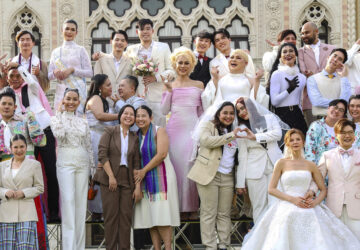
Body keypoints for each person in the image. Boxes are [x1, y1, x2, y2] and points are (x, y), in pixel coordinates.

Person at [241, 129, 360, 250]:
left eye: (298, 139)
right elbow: (271, 189)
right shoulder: (281, 163)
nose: (295, 142)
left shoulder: (310, 165)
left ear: (303, 142)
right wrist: (292, 200)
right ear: (287, 143)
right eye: (291, 140)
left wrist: (315, 202)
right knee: (286, 221)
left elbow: (323, 189)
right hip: (287, 204)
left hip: (307, 205)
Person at [6, 64, 59, 222]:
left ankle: (53, 212)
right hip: (25, 137)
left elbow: (34, 82)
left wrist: (19, 68)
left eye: (18, 76)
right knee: (28, 173)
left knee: (50, 171)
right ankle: (34, 212)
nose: (16, 79)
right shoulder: (9, 95)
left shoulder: (31, 88)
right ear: (8, 79)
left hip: (43, 129)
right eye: (12, 77)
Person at [188, 101, 243, 250]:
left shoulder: (237, 130)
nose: (228, 116)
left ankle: (224, 244)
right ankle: (210, 246)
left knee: (224, 213)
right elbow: (206, 141)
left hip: (228, 177)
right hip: (209, 174)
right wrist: (231, 136)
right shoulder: (208, 125)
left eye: (232, 113)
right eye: (225, 112)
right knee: (208, 212)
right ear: (218, 113)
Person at [0, 87, 48, 249]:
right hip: (4, 178)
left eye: (10, 104)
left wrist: (32, 120)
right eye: (3, 103)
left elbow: (41, 141)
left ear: (15, 106)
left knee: (28, 227)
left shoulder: (24, 120)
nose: (6, 106)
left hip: (26, 177)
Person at [161, 47, 203, 217]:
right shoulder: (169, 85)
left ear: (192, 65)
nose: (183, 66)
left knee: (189, 167)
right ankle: (174, 208)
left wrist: (200, 133)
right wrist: (168, 91)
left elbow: (202, 112)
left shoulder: (199, 85)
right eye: (180, 63)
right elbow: (164, 111)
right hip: (174, 131)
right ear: (174, 64)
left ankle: (190, 208)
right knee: (175, 169)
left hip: (192, 130)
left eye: (187, 63)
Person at [50, 88, 94, 250]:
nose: (71, 102)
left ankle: (80, 247)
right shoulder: (55, 118)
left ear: (79, 102)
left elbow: (88, 146)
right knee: (68, 202)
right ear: (63, 100)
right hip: (65, 163)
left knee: (81, 206)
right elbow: (59, 135)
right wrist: (60, 114)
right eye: (68, 98)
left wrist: (92, 170)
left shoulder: (83, 121)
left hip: (83, 163)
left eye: (74, 99)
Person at [93, 104, 142, 250]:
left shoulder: (134, 137)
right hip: (109, 178)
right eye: (125, 113)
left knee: (126, 219)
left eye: (131, 114)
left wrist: (137, 186)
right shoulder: (110, 131)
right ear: (120, 116)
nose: (128, 116)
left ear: (134, 119)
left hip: (127, 180)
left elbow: (136, 163)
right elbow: (102, 154)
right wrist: (111, 177)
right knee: (111, 218)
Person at [133, 105, 180, 250]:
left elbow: (162, 154)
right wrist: (139, 179)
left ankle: (168, 247)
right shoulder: (136, 135)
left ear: (150, 117)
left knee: (162, 215)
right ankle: (156, 248)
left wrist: (143, 171)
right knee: (151, 216)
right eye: (138, 116)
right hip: (146, 180)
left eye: (143, 116)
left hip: (162, 178)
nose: (140, 119)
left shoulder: (159, 131)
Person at [235, 97, 285, 223]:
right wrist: (240, 182)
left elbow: (277, 134)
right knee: (259, 206)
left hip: (275, 165)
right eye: (238, 111)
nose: (241, 112)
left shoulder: (269, 118)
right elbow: (242, 156)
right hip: (254, 170)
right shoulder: (241, 129)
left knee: (276, 204)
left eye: (243, 108)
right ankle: (260, 238)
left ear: (250, 106)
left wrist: (255, 137)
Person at [312, 119, 360, 239]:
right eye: (343, 132)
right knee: (336, 241)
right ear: (336, 135)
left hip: (357, 205)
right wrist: (311, 191)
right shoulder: (327, 155)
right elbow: (318, 178)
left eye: (350, 132)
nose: (347, 136)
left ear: (355, 135)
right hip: (334, 205)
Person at [125, 19, 175, 127]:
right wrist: (101, 55)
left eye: (148, 29)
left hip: (158, 96)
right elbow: (121, 63)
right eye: (141, 29)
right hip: (139, 96)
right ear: (137, 32)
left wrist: (156, 77)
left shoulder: (163, 47)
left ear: (153, 31)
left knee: (159, 129)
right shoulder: (131, 50)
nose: (145, 32)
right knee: (139, 129)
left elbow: (172, 70)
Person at [0, 134, 44, 249]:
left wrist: (24, 193)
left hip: (27, 213)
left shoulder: (35, 165)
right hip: (6, 214)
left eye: (22, 147)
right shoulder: (2, 166)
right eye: (15, 147)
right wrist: (4, 192)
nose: (19, 150)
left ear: (26, 147)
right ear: (10, 148)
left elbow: (40, 188)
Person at [85, 74, 118, 220]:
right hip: (95, 140)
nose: (111, 88)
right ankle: (97, 210)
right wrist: (121, 115)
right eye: (108, 85)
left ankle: (103, 209)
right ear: (99, 87)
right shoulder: (96, 98)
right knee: (98, 173)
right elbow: (99, 116)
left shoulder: (106, 101)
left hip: (104, 139)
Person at [48, 19, 93, 113]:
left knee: (78, 119)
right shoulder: (56, 52)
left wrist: (72, 70)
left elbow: (90, 73)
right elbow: (49, 76)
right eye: (67, 29)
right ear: (62, 30)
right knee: (61, 118)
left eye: (72, 30)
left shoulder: (81, 50)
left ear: (76, 32)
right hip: (61, 89)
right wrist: (55, 72)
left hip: (78, 90)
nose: (69, 32)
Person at [298, 22, 336, 125]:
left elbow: (335, 70)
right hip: (309, 102)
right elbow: (303, 71)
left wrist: (313, 76)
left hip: (330, 99)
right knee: (313, 133)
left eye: (306, 33)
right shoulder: (300, 52)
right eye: (302, 34)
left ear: (316, 32)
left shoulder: (331, 49)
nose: (303, 36)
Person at [202, 49, 267, 109]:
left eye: (238, 58)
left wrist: (257, 80)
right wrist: (215, 78)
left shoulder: (251, 80)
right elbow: (210, 98)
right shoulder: (218, 78)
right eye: (232, 57)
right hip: (224, 115)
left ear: (246, 63)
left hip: (243, 115)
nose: (234, 60)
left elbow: (258, 100)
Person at [268, 43, 308, 135]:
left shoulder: (302, 77)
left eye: (291, 51)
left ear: (296, 55)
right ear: (280, 57)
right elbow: (274, 101)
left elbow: (299, 100)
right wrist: (289, 90)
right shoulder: (277, 74)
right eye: (284, 52)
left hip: (297, 114)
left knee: (302, 143)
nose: (288, 54)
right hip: (282, 114)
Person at [307, 48, 351, 117]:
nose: (335, 60)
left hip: (338, 122)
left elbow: (345, 102)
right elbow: (317, 101)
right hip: (320, 121)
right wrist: (339, 104)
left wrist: (344, 78)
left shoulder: (344, 81)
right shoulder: (312, 79)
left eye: (340, 59)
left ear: (341, 65)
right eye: (334, 56)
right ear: (328, 57)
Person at [305, 99, 347, 164]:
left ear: (343, 115)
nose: (336, 111)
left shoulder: (343, 130)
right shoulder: (316, 126)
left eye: (341, 110)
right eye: (335, 107)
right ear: (328, 108)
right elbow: (309, 151)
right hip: (319, 168)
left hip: (338, 169)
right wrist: (313, 171)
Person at [93, 30, 133, 99]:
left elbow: (133, 83)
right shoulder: (101, 59)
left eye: (122, 40)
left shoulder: (131, 61)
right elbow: (96, 82)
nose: (119, 42)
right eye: (117, 40)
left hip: (125, 102)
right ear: (111, 41)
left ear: (126, 43)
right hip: (106, 101)